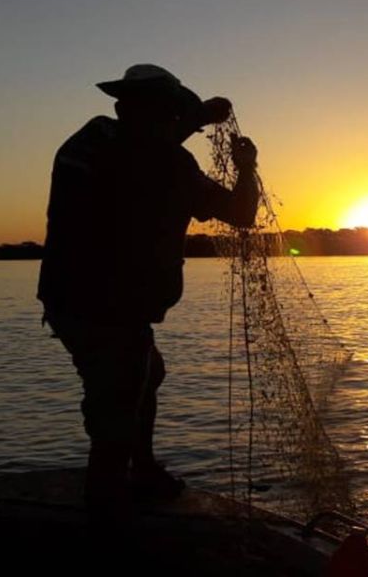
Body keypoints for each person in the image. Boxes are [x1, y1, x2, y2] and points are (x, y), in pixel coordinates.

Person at [37, 64, 259, 532]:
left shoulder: (128, 150)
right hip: (96, 307)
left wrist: (240, 163)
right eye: (160, 111)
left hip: (90, 305)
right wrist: (222, 144)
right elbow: (139, 160)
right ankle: (109, 514)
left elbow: (237, 213)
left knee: (146, 373)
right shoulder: (98, 144)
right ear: (123, 109)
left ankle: (144, 471)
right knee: (115, 407)